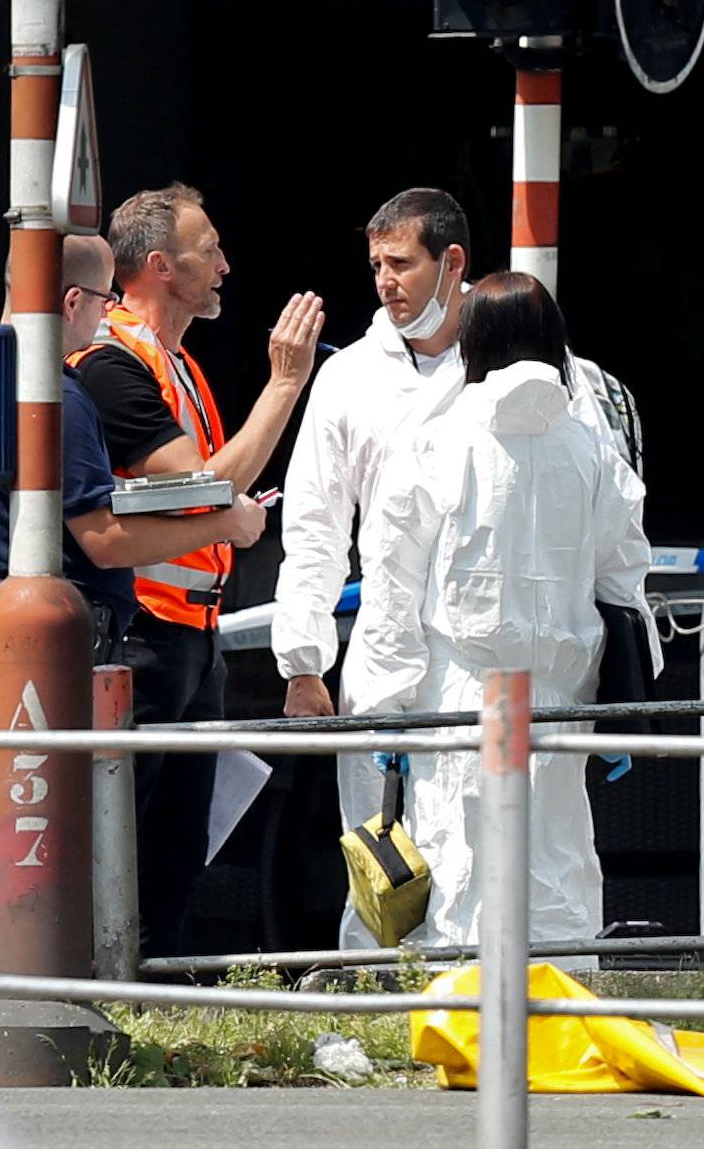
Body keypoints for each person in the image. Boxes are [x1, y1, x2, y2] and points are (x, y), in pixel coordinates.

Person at [272, 186, 651, 952]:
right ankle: (530, 1026)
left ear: (454, 265)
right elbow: (316, 527)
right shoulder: (353, 380)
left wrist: (620, 689)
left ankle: (442, 1034)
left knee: (451, 873)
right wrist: (305, 658)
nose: (385, 280)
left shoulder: (522, 415)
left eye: (400, 262)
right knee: (412, 869)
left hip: (457, 677)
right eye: (375, 263)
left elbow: (393, 569)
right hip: (487, 679)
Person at [350, 271, 656, 952]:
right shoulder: (589, 443)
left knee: (464, 870)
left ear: (473, 341)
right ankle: (566, 1027)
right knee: (560, 865)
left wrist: (387, 706)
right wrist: (620, 696)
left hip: (463, 693)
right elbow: (622, 573)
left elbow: (393, 580)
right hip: (561, 693)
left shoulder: (438, 437)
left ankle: (473, 1041)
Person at [70, 184, 323, 959]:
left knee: (178, 852)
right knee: (127, 845)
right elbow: (203, 487)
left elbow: (210, 488)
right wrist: (285, 385)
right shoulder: (112, 361)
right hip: (141, 636)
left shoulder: (177, 364)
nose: (224, 263)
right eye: (207, 248)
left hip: (191, 636)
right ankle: (108, 1006)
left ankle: (154, 1008)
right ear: (159, 266)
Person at [0, 236, 266, 725]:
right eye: (105, 300)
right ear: (72, 301)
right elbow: (105, 539)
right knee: (75, 804)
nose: (108, 315)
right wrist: (226, 524)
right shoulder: (53, 396)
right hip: (51, 663)